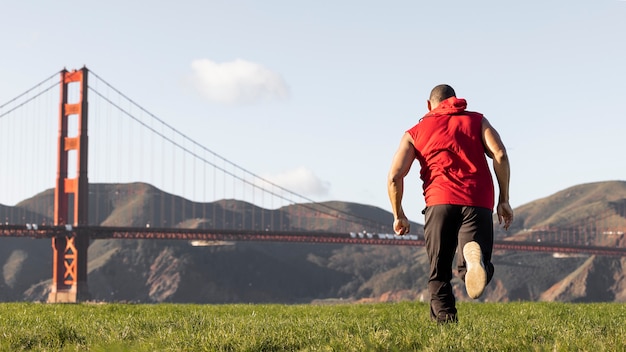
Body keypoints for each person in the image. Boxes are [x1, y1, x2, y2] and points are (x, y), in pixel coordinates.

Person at [387, 84, 513, 323]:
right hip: (477, 200)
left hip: (439, 202)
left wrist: (399, 214)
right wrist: (504, 199)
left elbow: (395, 176)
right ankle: (475, 264)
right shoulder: (477, 121)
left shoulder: (414, 132)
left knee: (439, 270)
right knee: (476, 263)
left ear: (428, 105)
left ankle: (445, 323)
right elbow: (501, 154)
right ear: (455, 100)